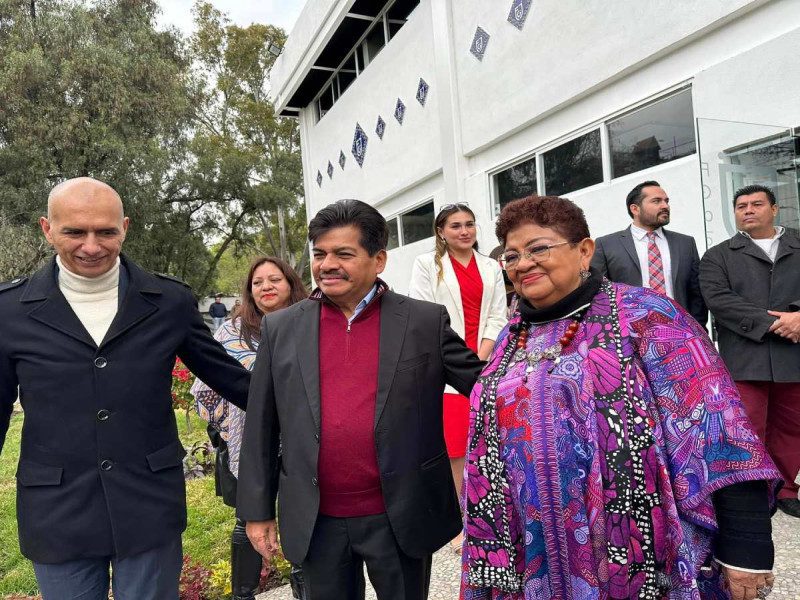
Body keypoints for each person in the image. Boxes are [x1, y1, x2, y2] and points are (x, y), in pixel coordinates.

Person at [461, 194, 781, 600]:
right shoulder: (510, 338)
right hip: (531, 556)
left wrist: (746, 552)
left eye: (538, 248)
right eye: (511, 256)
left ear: (584, 251)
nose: (523, 263)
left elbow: (720, 431)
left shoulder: (648, 316)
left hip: (631, 560)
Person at [0, 177, 251, 600]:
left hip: (148, 500)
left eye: (106, 231)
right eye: (75, 232)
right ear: (47, 229)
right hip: (56, 507)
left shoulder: (168, 302)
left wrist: (318, 407)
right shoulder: (9, 312)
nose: (92, 245)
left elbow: (230, 379)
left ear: (126, 227)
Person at [237, 199, 484, 600]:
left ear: (379, 259)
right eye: (320, 254)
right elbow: (262, 423)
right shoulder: (282, 327)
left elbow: (487, 386)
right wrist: (257, 510)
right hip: (317, 517)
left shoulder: (423, 321)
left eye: (344, 254)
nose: (327, 264)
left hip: (400, 512)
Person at [192, 257, 308, 600]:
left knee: (302, 520)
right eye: (258, 282)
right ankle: (243, 595)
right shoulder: (231, 330)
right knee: (249, 521)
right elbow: (207, 385)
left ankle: (306, 591)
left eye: (275, 279)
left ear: (290, 284)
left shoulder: (311, 324)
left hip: (304, 439)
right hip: (251, 439)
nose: (266, 287)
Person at [408, 203, 507, 551]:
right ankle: (456, 522)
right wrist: (457, 360)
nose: (464, 231)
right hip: (443, 363)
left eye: (469, 224)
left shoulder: (491, 266)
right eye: (455, 226)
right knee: (454, 447)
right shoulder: (427, 265)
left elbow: (498, 313)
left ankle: (488, 513)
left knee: (483, 440)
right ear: (441, 232)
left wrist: (479, 355)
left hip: (484, 359)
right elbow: (422, 313)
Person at [700, 184, 800, 518]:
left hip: (794, 354)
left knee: (792, 427)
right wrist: (775, 323)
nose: (748, 210)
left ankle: (785, 487)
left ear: (775, 209)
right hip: (745, 355)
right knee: (748, 427)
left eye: (757, 204)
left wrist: (798, 316)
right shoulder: (719, 255)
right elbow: (718, 298)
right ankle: (755, 491)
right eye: (741, 205)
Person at [591, 180, 708, 327]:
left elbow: (696, 295)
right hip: (629, 335)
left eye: (666, 201)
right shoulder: (607, 245)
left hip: (680, 331)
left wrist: (697, 329)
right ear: (635, 209)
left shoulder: (685, 243)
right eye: (656, 201)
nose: (665, 206)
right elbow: (598, 294)